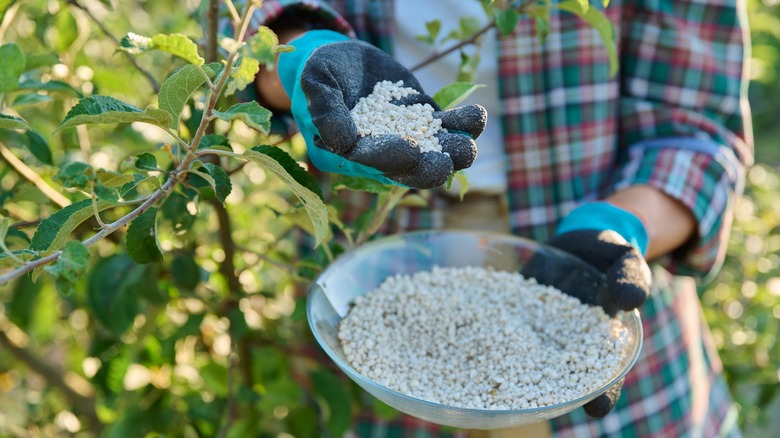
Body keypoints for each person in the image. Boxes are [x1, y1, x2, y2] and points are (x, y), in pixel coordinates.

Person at [240, 0, 753, 436]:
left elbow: (697, 132)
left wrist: (621, 224)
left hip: (594, 241)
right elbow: (245, 30)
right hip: (372, 262)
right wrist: (300, 58)